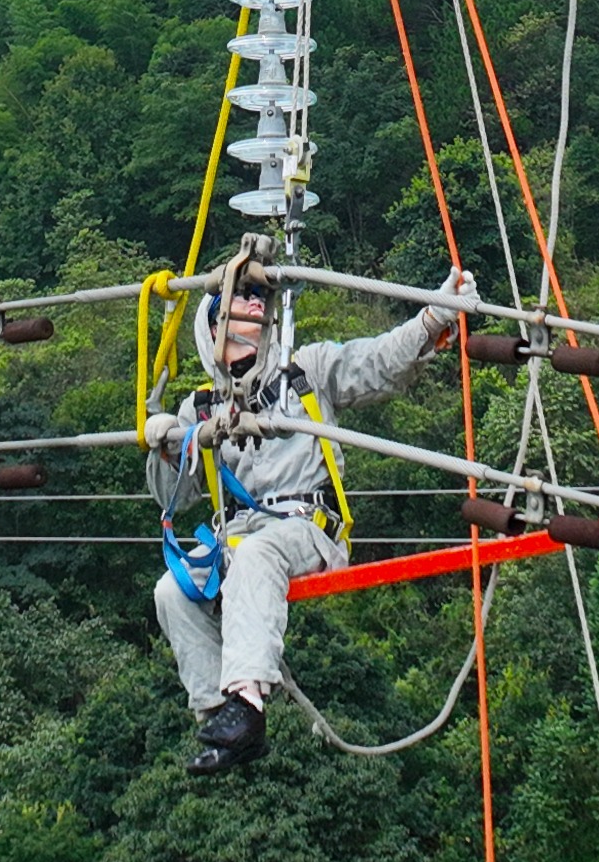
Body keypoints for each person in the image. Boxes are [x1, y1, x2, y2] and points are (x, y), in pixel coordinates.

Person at [145, 243, 477, 770]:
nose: (255, 304)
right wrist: (166, 447)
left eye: (259, 297)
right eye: (241, 297)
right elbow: (172, 498)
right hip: (241, 538)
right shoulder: (201, 407)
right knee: (171, 590)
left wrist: (433, 317)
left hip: (306, 528)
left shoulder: (306, 373)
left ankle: (248, 701)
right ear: (213, 328)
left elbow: (378, 362)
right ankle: (218, 714)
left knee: (255, 554)